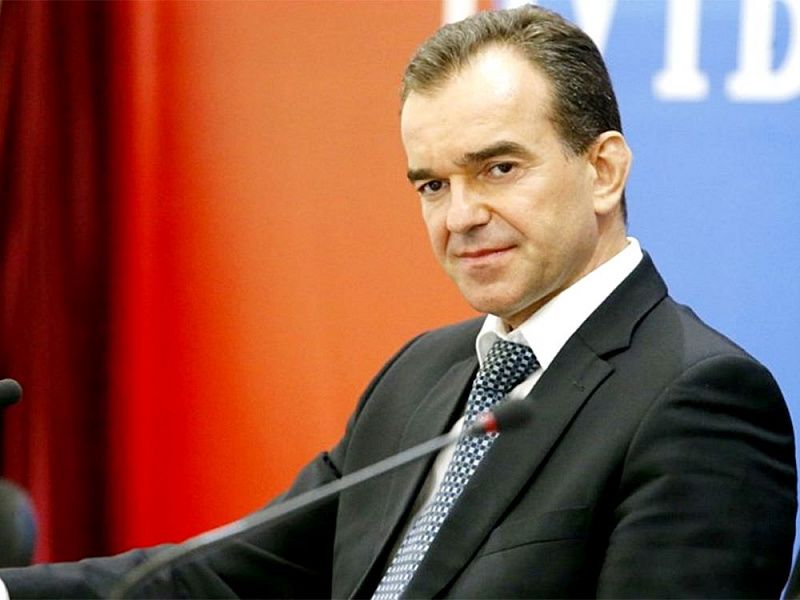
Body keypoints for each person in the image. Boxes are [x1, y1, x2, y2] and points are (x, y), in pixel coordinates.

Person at [0, 5, 796, 598]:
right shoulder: (422, 375)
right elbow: (227, 574)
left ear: (604, 170)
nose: (461, 216)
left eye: (498, 169)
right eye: (432, 185)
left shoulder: (698, 398)